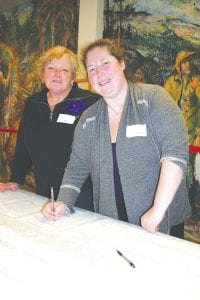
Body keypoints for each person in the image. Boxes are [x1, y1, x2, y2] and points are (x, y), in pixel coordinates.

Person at [42, 39, 191, 238]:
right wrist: (64, 202)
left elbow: (175, 154)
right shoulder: (88, 118)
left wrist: (158, 209)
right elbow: (77, 167)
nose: (99, 73)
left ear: (121, 63)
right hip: (111, 221)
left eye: (105, 63)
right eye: (92, 68)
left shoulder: (153, 98)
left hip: (162, 220)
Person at [0, 45, 100, 210]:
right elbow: (23, 146)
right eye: (51, 68)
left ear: (73, 77)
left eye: (64, 70)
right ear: (42, 74)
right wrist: (16, 179)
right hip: (44, 192)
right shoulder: (34, 103)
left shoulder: (88, 103)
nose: (57, 74)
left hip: (82, 196)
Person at [164, 50, 200, 216]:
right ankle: (173, 206)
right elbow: (163, 105)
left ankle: (190, 210)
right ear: (178, 65)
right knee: (172, 168)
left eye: (189, 61)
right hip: (173, 134)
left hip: (192, 136)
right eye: (184, 62)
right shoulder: (171, 82)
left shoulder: (197, 80)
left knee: (190, 171)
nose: (188, 64)